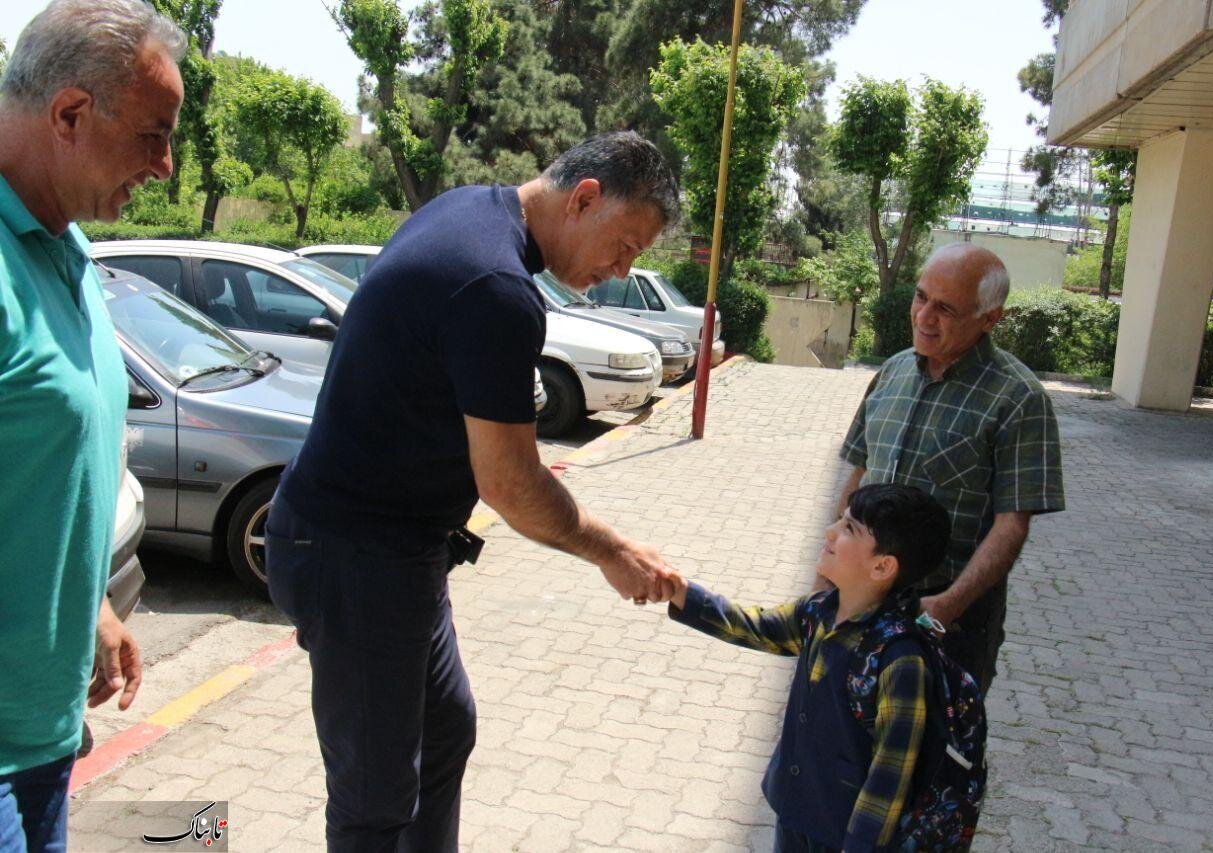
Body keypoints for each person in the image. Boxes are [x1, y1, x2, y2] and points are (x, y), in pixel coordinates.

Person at [266, 131, 682, 852]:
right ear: (584, 199)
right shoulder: (496, 287)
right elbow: (511, 482)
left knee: (446, 730)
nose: (621, 269)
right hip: (355, 557)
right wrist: (611, 549)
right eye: (626, 244)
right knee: (375, 797)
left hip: (397, 554)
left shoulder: (470, 211)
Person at [0, 1, 185, 849]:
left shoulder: (65, 247)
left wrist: (89, 614)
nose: (166, 163)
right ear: (70, 114)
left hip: (45, 735)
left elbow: (39, 473)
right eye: (152, 135)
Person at [665, 484, 954, 852]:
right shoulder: (820, 610)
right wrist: (682, 592)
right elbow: (758, 627)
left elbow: (890, 776)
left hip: (842, 835)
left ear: (883, 566)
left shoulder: (901, 659)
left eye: (849, 529)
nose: (830, 532)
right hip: (796, 811)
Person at [830, 243, 1066, 693]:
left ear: (990, 318)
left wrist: (948, 605)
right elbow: (859, 477)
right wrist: (830, 576)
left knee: (931, 755)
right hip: (863, 599)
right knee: (842, 743)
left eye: (946, 308)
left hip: (946, 618)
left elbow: (1011, 525)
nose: (924, 317)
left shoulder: (1019, 399)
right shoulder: (892, 373)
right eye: (921, 298)